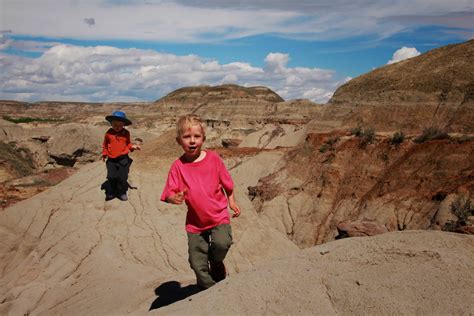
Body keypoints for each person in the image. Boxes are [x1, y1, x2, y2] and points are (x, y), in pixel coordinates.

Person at [161, 114, 241, 289]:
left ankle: (216, 262)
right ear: (178, 140)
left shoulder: (213, 159)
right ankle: (208, 290)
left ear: (203, 139)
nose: (192, 141)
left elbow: (227, 183)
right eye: (186, 137)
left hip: (219, 216)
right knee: (197, 263)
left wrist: (232, 201)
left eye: (196, 137)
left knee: (222, 244)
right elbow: (168, 192)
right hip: (196, 223)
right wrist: (172, 198)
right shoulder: (178, 166)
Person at [102, 111, 140, 201]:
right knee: (111, 176)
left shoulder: (126, 133)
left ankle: (121, 192)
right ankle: (111, 192)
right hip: (111, 159)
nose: (117, 127)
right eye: (115, 125)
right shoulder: (108, 133)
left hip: (123, 159)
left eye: (120, 125)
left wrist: (133, 147)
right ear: (111, 123)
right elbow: (105, 145)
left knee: (122, 177)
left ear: (123, 124)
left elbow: (128, 144)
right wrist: (104, 154)